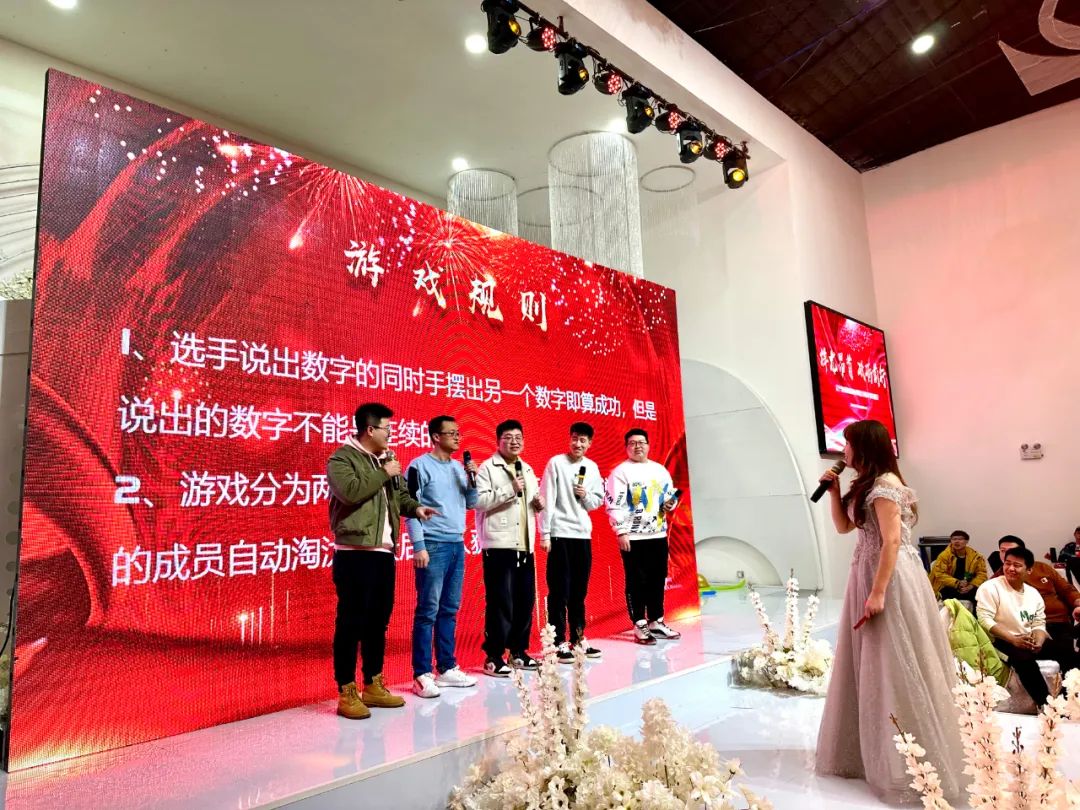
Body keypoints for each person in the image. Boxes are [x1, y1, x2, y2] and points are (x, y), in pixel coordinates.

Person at [815, 419, 965, 804]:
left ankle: (908, 758)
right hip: (865, 573)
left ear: (864, 446)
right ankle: (870, 750)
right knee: (870, 661)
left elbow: (892, 541)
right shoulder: (865, 483)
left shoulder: (885, 484)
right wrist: (834, 493)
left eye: (847, 444)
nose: (843, 451)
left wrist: (878, 592)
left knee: (893, 661)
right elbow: (845, 528)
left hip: (890, 579)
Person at [327, 402, 437, 720]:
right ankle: (346, 690)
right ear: (370, 429)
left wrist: (415, 508)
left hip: (383, 553)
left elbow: (398, 496)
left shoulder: (386, 459)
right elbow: (350, 492)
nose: (391, 434)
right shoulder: (342, 458)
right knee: (350, 623)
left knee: (378, 621)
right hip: (354, 554)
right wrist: (383, 472)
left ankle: (373, 683)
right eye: (387, 428)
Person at [405, 415, 480, 699]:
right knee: (428, 610)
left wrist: (472, 479)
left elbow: (471, 503)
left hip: (457, 544)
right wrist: (419, 545)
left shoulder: (460, 468)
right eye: (452, 433)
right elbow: (410, 507)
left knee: (449, 608)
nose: (458, 438)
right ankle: (421, 673)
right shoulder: (419, 466)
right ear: (436, 437)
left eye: (459, 433)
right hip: (433, 545)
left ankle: (446, 667)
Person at [475, 419, 545, 677]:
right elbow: (479, 501)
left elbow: (528, 504)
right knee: (500, 602)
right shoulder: (487, 468)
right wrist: (509, 489)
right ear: (498, 441)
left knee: (524, 601)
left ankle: (518, 651)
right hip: (499, 545)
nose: (514, 441)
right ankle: (493, 656)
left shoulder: (526, 468)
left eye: (518, 437)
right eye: (508, 437)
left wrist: (538, 504)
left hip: (524, 545)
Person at [605, 428, 682, 645]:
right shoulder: (620, 472)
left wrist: (671, 503)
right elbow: (613, 504)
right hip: (633, 537)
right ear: (626, 447)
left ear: (648, 445)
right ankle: (639, 623)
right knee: (637, 581)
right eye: (632, 443)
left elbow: (669, 495)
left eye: (641, 442)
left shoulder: (659, 470)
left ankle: (656, 621)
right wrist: (621, 531)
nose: (637, 446)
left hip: (658, 534)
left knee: (657, 579)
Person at [540, 422, 606, 663]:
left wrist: (585, 495)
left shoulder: (592, 467)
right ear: (570, 439)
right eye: (575, 438)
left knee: (579, 591)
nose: (578, 444)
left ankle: (578, 638)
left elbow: (596, 501)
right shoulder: (556, 463)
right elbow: (546, 499)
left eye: (583, 440)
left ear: (590, 444)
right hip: (560, 533)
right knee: (559, 591)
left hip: (582, 535)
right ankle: (558, 642)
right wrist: (545, 533)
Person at [993, 535, 1079, 676]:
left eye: (1012, 550)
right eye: (1002, 551)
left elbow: (1066, 589)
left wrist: (1077, 604)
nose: (1007, 554)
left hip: (1059, 621)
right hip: (1030, 628)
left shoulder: (1043, 568)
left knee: (1071, 656)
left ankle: (1072, 687)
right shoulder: (996, 581)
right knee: (1066, 655)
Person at [976, 546, 1051, 708]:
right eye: (1007, 563)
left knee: (1067, 653)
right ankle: (1048, 707)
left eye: (1017, 565)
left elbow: (1039, 622)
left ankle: (1070, 699)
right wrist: (1013, 639)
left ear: (1029, 570)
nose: (1010, 568)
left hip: (1027, 638)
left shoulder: (1033, 593)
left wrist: (1038, 641)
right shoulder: (990, 588)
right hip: (999, 640)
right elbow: (984, 620)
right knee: (1025, 660)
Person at [928, 530, 987, 601]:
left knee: (980, 594)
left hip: (968, 584)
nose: (956, 541)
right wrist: (957, 583)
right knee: (947, 593)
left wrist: (971, 585)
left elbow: (982, 574)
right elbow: (939, 574)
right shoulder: (944, 556)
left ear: (966, 541)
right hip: (949, 585)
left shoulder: (975, 557)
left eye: (960, 539)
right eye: (954, 539)